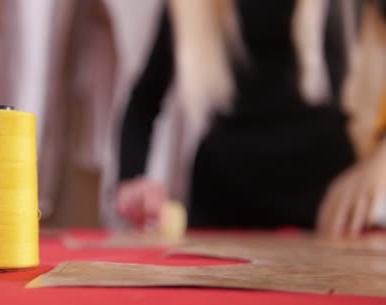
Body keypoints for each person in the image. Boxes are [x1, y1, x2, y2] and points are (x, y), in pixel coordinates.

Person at [116, 0, 386, 238]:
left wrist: (380, 159)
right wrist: (132, 182)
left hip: (328, 210)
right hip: (220, 207)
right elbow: (144, 102)